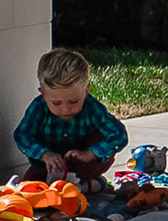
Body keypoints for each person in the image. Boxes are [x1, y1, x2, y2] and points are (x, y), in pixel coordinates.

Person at [15, 48, 128, 196]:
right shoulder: (38, 107)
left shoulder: (91, 107)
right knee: (30, 184)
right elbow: (22, 135)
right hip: (49, 164)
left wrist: (90, 154)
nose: (65, 109)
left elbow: (119, 134)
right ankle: (83, 185)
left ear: (86, 91)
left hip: (84, 161)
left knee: (96, 142)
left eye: (73, 101)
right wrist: (45, 154)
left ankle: (91, 183)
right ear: (42, 93)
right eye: (56, 103)